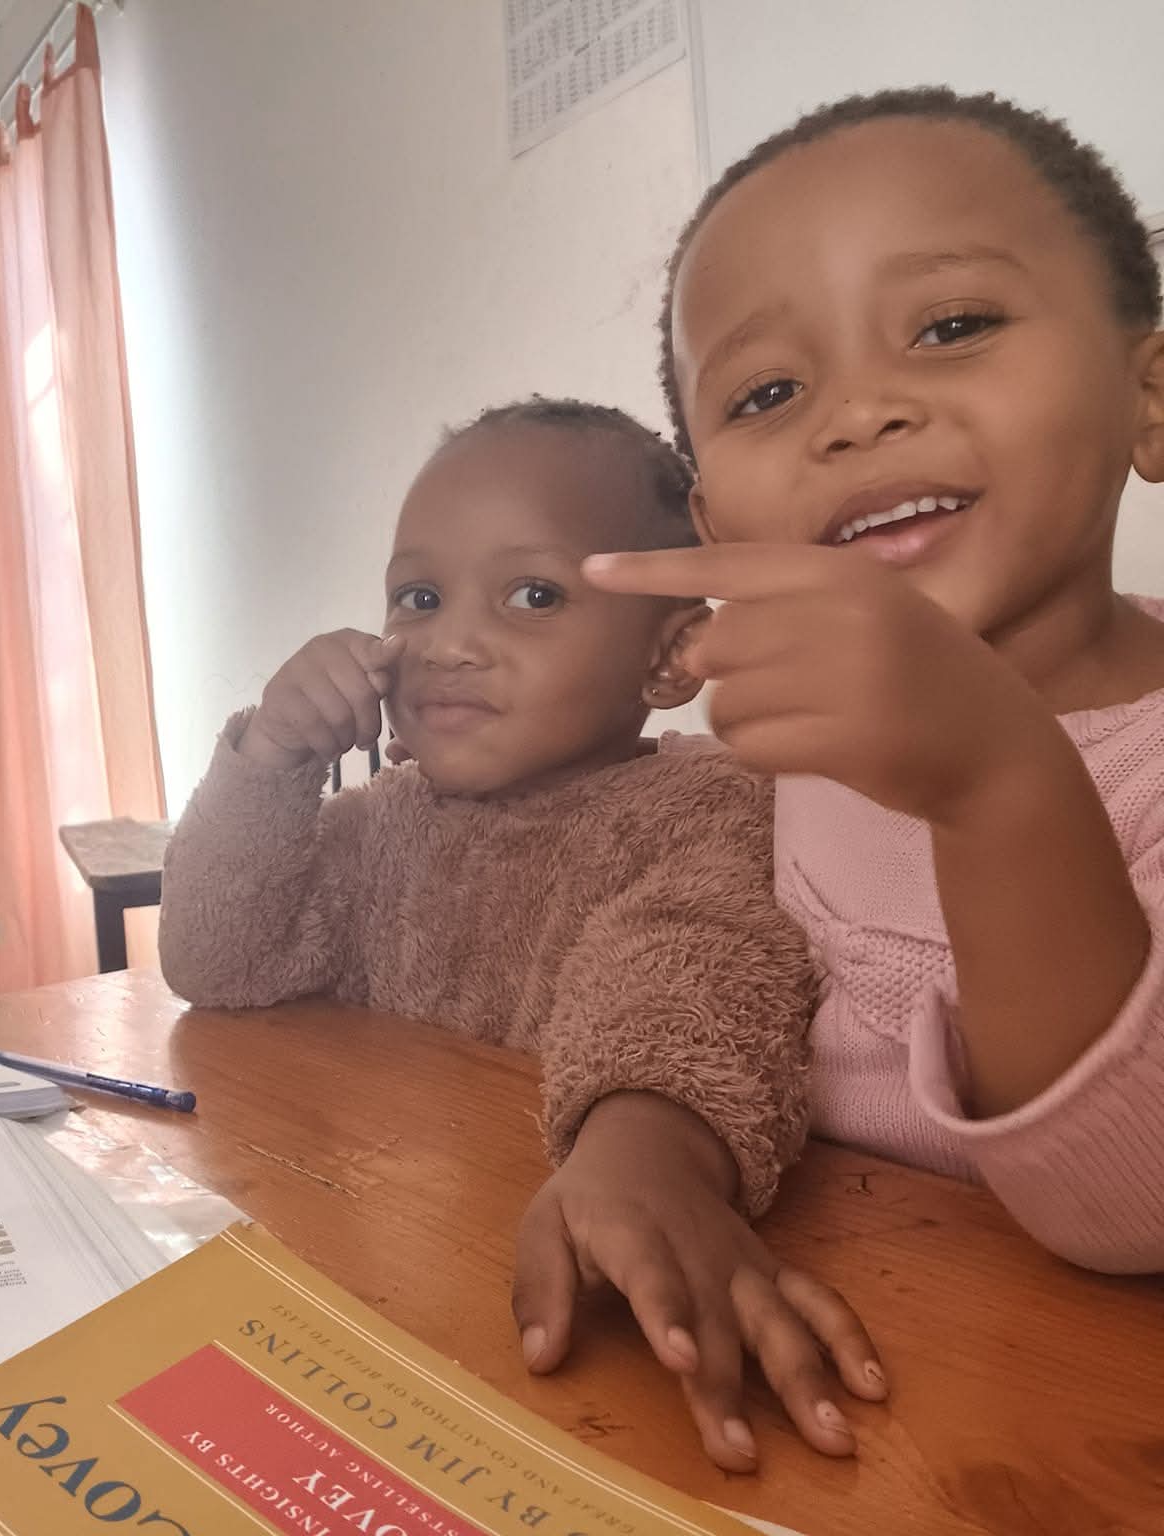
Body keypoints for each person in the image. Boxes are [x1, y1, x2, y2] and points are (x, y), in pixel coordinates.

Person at [553, 84, 1164, 1463]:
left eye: (952, 326)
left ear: (1147, 393)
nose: (859, 414)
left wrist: (998, 781)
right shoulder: (766, 766)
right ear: (712, 520)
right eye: (769, 393)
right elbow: (691, 968)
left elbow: (1131, 1207)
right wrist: (641, 1141)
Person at [158, 398, 873, 1469]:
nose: (447, 644)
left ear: (670, 657)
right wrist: (269, 761)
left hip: (594, 1297)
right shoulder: (376, 824)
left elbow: (689, 967)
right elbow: (219, 961)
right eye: (418, 597)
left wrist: (644, 1143)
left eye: (532, 596)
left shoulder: (709, 808)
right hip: (382, 1300)